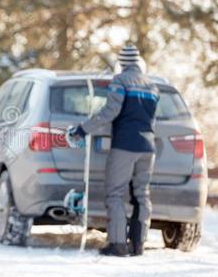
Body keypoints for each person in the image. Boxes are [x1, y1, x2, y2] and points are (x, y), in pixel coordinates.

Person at [67, 46, 159, 257]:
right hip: (148, 147)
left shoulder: (120, 81)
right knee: (142, 195)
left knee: (115, 193)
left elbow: (111, 111)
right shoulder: (153, 86)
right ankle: (138, 244)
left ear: (122, 63)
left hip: (125, 145)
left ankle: (117, 244)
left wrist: (83, 129)